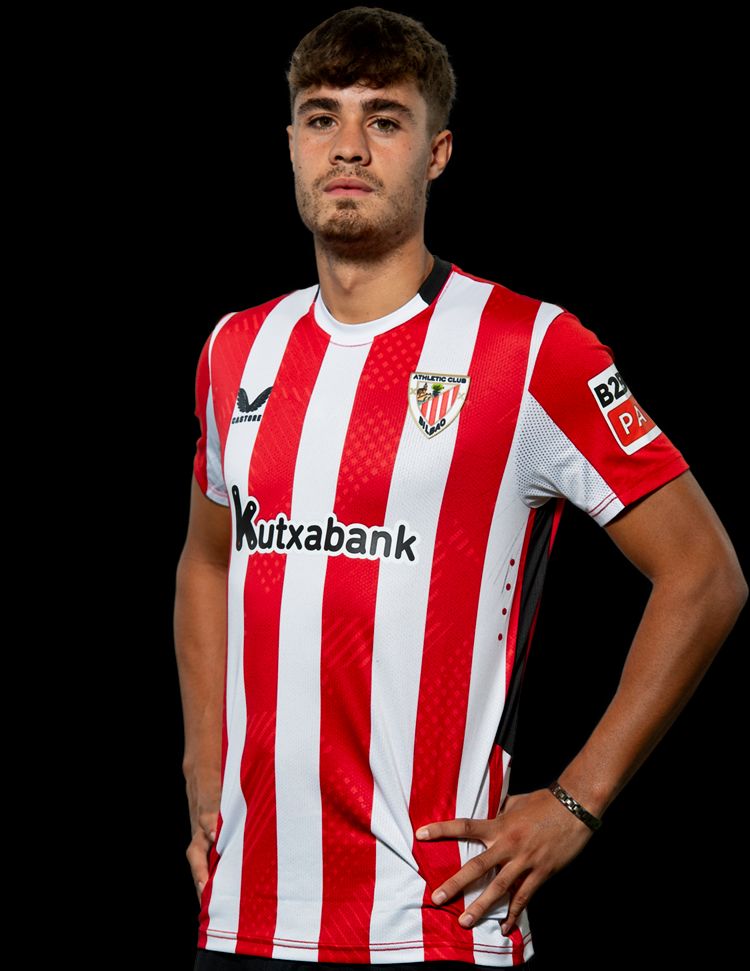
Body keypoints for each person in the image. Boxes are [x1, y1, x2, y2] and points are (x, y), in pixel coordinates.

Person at [174, 6, 746, 969]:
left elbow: (704, 573)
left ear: (437, 153)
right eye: (321, 117)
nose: (348, 146)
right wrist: (204, 758)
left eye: (384, 119)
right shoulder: (238, 347)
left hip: (434, 920)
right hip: (243, 913)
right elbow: (206, 560)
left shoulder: (530, 347)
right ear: (291, 142)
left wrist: (576, 801)